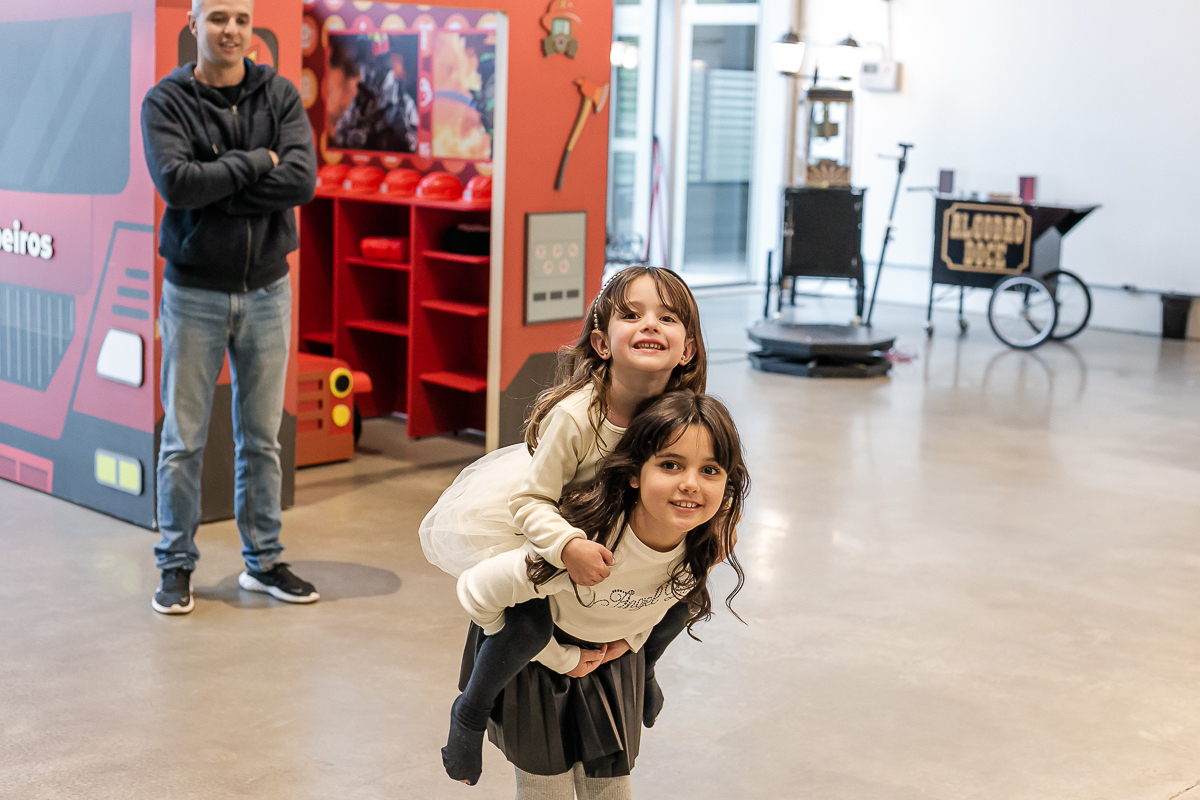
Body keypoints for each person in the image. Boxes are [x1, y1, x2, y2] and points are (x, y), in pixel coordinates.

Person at [420, 266, 708, 784]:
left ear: (687, 349)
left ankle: (645, 665)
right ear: (601, 341)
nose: (650, 325)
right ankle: (470, 712)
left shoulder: (681, 418)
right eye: (632, 314)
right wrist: (567, 545)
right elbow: (530, 501)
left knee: (689, 591)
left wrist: (720, 521)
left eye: (668, 317)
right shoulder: (578, 418)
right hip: (554, 529)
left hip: (620, 547)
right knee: (529, 624)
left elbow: (708, 473)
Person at [455, 390, 748, 798]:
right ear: (634, 473)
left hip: (608, 653)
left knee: (609, 786)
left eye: (711, 470)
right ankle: (469, 713)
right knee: (548, 785)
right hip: (534, 654)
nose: (690, 484)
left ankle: (644, 669)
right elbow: (475, 591)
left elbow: (659, 602)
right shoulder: (586, 548)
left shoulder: (708, 544)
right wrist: (562, 657)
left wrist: (631, 644)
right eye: (670, 464)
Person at [141, 0, 318, 615]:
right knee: (184, 440)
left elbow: (301, 181)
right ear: (194, 25)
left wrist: (221, 177)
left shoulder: (280, 95)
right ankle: (175, 565)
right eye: (218, 18)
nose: (232, 30)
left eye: (241, 18)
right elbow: (178, 185)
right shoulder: (166, 102)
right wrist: (257, 161)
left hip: (269, 287)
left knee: (261, 438)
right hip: (194, 292)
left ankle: (263, 562)